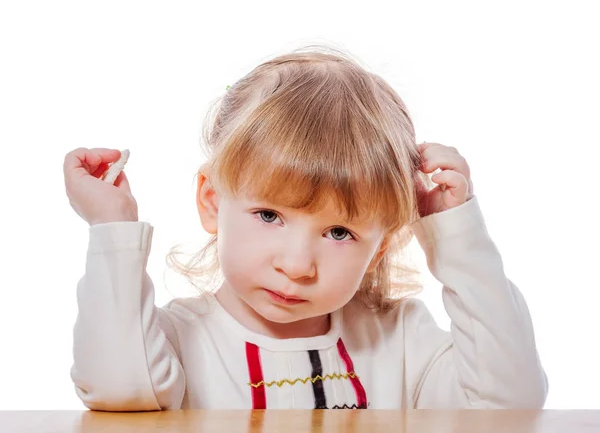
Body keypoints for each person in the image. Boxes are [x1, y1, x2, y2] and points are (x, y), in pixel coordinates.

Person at [63, 46, 547, 411]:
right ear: (212, 201)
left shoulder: (401, 342)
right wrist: (113, 227)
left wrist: (453, 232)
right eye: (270, 216)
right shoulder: (173, 342)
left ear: (379, 249)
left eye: (339, 232)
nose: (296, 266)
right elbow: (116, 386)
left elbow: (510, 402)